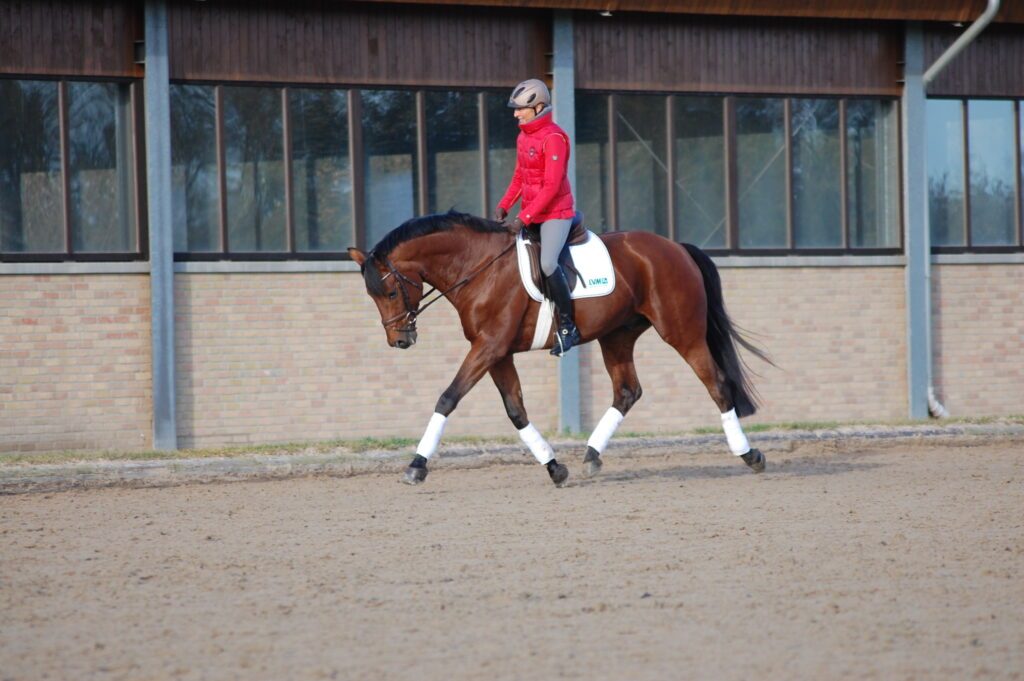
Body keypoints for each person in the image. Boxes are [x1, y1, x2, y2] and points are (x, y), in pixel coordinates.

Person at [495, 78, 581, 357]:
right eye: (516, 109)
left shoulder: (554, 138)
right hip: (532, 214)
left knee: (546, 263)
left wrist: (524, 217)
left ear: (539, 107)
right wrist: (505, 204)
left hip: (556, 213)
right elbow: (521, 176)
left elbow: (552, 186)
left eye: (521, 109)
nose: (515, 114)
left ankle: (568, 326)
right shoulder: (523, 136)